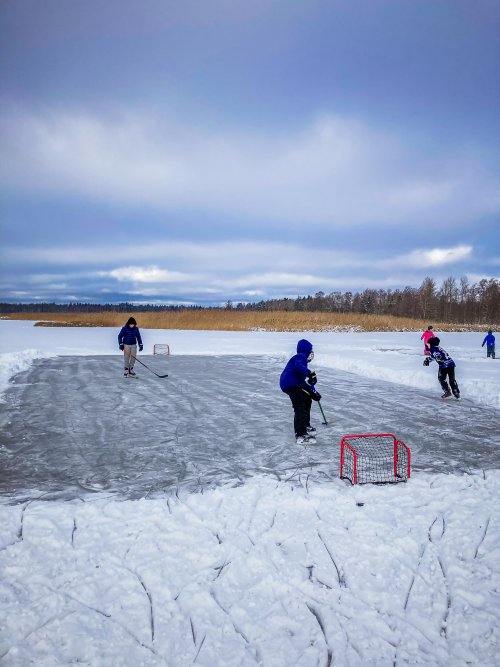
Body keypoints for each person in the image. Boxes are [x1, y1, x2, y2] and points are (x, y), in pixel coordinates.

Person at [280, 339, 321, 444]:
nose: (312, 353)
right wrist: (310, 373)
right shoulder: (300, 356)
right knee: (299, 406)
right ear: (306, 350)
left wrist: (312, 393)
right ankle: (300, 434)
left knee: (307, 399)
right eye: (310, 350)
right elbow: (298, 367)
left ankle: (305, 425)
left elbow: (302, 382)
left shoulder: (302, 363)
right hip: (290, 384)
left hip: (293, 384)